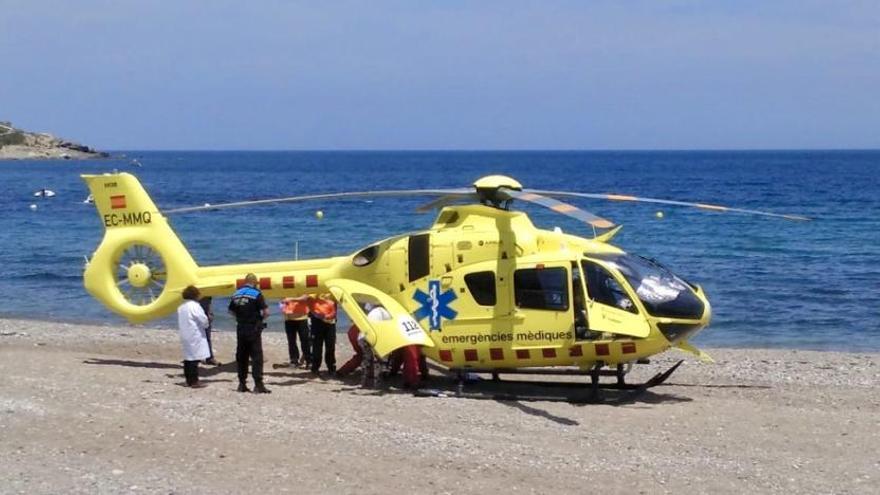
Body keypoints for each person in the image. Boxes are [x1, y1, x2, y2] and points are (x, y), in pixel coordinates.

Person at [228, 273, 271, 394]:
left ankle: (242, 384)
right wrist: (260, 319)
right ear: (254, 283)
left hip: (240, 327)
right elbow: (266, 312)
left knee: (242, 356)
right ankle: (258, 384)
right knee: (257, 356)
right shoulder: (256, 293)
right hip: (253, 328)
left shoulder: (236, 294)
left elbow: (230, 312)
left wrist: (241, 317)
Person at [177, 285, 211, 388]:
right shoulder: (195, 306)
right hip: (195, 334)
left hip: (185, 333)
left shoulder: (181, 307)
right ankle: (194, 381)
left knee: (188, 357)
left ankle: (188, 380)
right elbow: (202, 319)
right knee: (194, 359)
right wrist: (208, 321)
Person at [309, 293, 338, 376]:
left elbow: (335, 304)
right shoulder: (316, 290)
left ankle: (331, 367)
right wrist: (317, 315)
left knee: (330, 346)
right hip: (317, 321)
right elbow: (309, 301)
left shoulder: (332, 291)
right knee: (317, 346)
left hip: (331, 322)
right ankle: (315, 367)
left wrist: (333, 315)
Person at [279, 295, 311, 368]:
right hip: (289, 319)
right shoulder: (284, 288)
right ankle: (294, 360)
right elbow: (281, 301)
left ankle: (308, 360)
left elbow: (306, 297)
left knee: (305, 340)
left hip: (302, 318)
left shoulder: (300, 285)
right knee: (291, 341)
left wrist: (291, 299)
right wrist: (282, 307)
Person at [199, 296, 220, 365]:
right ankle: (208, 358)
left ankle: (209, 358)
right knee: (201, 337)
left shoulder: (207, 290)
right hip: (200, 315)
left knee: (206, 338)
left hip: (204, 315)